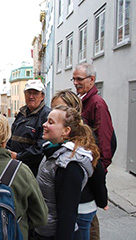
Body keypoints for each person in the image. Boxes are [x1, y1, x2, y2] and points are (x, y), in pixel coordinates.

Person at [35, 105, 99, 240]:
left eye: (51, 122)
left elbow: (67, 215)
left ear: (66, 131)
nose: (44, 125)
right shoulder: (51, 152)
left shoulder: (69, 165)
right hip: (45, 230)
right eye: (47, 120)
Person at [51, 90, 108, 240]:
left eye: (60, 108)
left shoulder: (84, 140)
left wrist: (102, 198)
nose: (55, 112)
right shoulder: (53, 136)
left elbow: (98, 169)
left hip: (82, 206)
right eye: (53, 108)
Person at [72, 63, 117, 240]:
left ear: (92, 80)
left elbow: (104, 140)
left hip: (91, 170)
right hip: (87, 168)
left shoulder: (97, 104)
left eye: (79, 79)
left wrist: (99, 171)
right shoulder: (83, 101)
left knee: (88, 219)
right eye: (74, 79)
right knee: (86, 216)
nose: (75, 83)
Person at [6, 79, 50, 176]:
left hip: (32, 170)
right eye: (28, 93)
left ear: (42, 96)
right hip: (15, 167)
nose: (31, 96)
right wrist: (6, 151)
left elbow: (41, 148)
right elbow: (12, 137)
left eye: (35, 93)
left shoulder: (46, 116)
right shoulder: (21, 113)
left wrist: (19, 156)